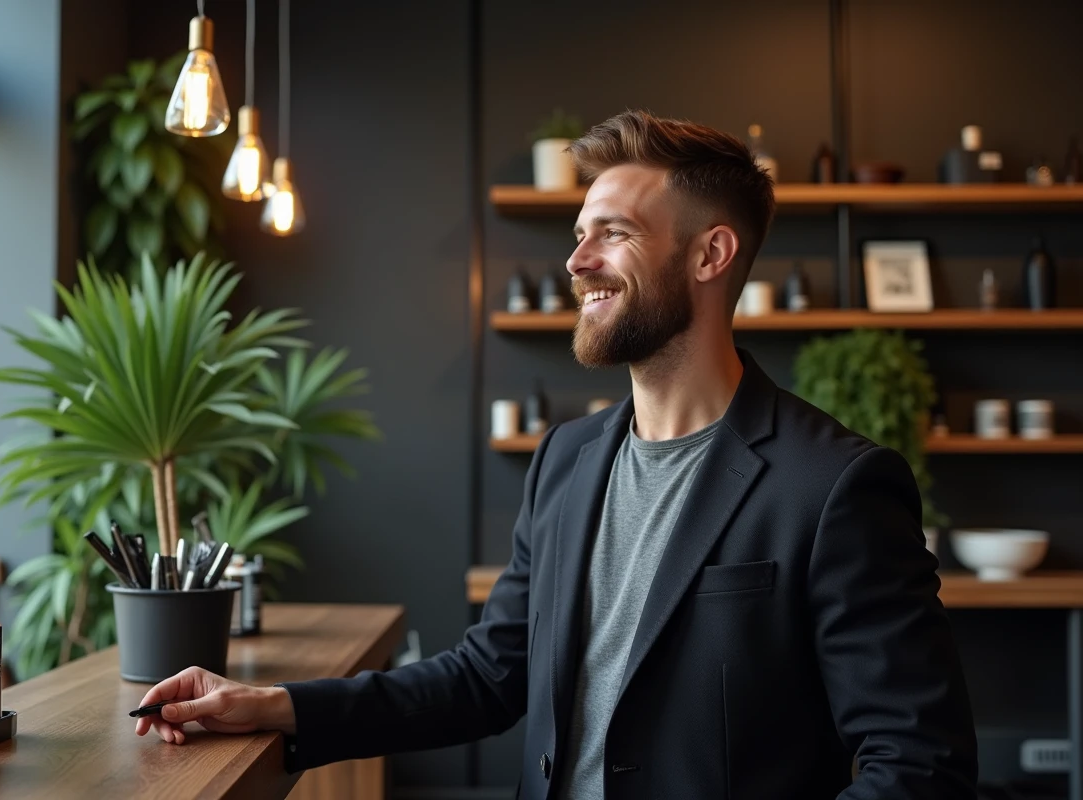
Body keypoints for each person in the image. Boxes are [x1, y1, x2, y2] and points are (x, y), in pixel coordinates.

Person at [133, 110, 978, 798]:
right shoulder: (568, 459)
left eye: (612, 234)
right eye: (579, 234)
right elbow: (488, 676)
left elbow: (921, 767)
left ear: (711, 254)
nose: (577, 262)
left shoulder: (834, 485)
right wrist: (274, 707)